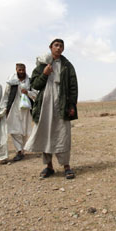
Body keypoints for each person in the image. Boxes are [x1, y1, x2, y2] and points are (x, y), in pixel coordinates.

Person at [24, 39, 78, 179]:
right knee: (45, 133)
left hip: (62, 103)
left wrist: (72, 105)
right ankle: (49, 167)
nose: (59, 48)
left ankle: (66, 166)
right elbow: (35, 84)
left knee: (63, 134)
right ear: (50, 47)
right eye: (56, 45)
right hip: (45, 104)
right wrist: (45, 74)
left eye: (61, 46)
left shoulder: (67, 65)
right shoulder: (42, 64)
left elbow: (73, 86)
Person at [0, 63, 37, 161]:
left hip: (26, 109)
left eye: (23, 70)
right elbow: (6, 95)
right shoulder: (11, 80)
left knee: (24, 131)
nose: (21, 72)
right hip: (14, 108)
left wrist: (27, 92)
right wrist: (4, 109)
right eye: (19, 70)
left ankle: (22, 150)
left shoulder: (30, 81)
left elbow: (36, 94)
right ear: (16, 70)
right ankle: (19, 150)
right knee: (14, 130)